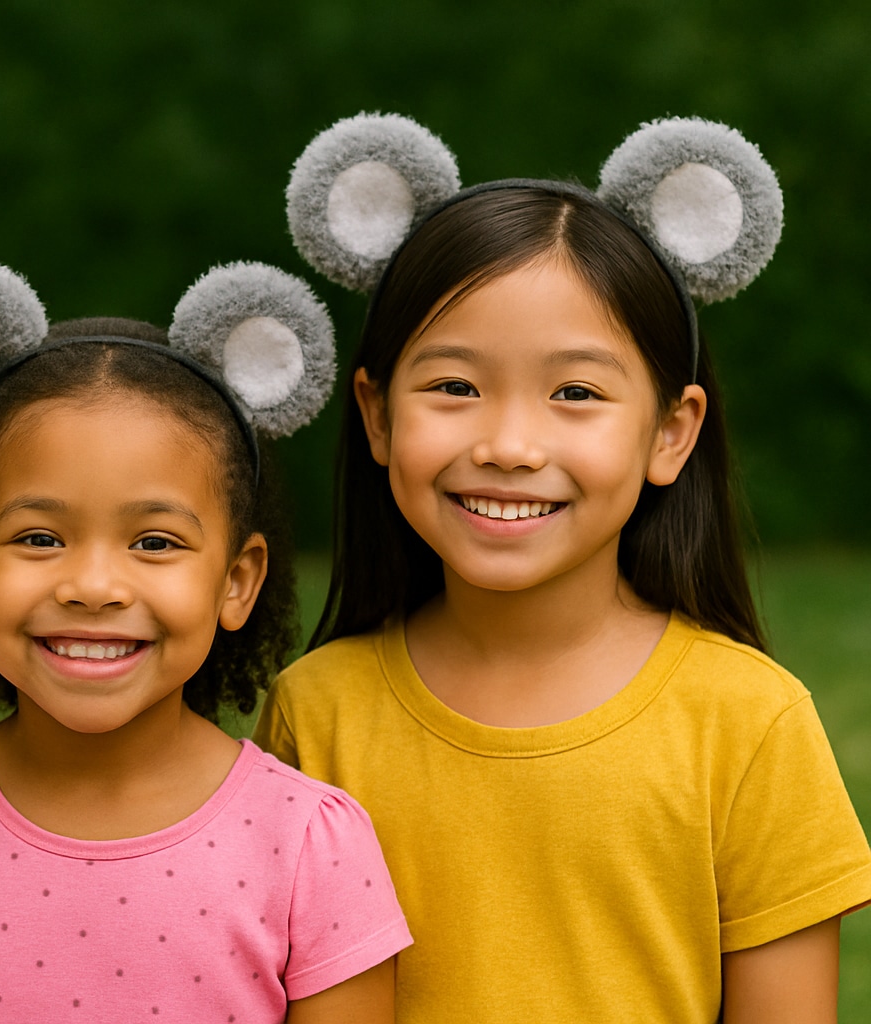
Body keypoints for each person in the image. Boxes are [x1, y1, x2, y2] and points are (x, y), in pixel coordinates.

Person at [256, 113, 871, 1023]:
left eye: (575, 393)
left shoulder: (750, 723)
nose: (508, 445)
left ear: (671, 433)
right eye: (455, 387)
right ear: (377, 418)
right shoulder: (317, 714)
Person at [0, 256, 413, 1023]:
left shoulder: (308, 844)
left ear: (237, 580)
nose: (94, 586)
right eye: (39, 537)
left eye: (155, 543)